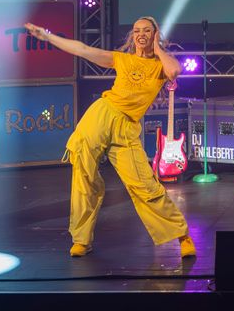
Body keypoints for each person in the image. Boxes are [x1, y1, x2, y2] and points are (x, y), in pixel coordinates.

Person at [24, 17, 195, 260]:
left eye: (147, 31)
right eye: (136, 30)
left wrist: (157, 48)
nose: (141, 34)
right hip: (103, 114)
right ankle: (81, 239)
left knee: (144, 184)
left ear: (155, 34)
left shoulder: (160, 65)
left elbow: (174, 71)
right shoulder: (121, 59)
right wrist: (47, 36)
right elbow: (83, 50)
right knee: (83, 172)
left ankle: (182, 235)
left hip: (127, 127)